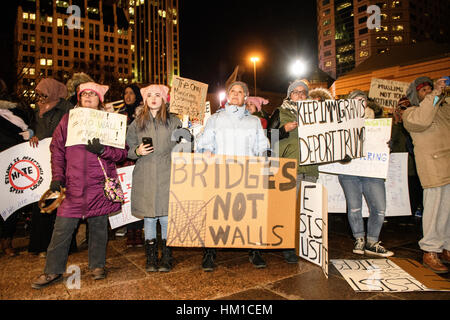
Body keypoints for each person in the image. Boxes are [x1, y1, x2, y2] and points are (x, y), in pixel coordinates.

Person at [31, 82, 128, 289]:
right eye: (85, 94)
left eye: (93, 94)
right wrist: (57, 177)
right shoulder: (68, 120)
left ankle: (97, 265)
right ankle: (52, 271)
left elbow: (121, 153)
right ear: (79, 98)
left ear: (99, 100)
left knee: (99, 227)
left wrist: (103, 150)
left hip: (99, 185)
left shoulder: (109, 121)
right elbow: (57, 149)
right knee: (62, 229)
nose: (88, 97)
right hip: (73, 186)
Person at [196, 81, 270, 271]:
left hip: (247, 174)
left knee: (250, 213)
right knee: (215, 213)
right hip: (221, 173)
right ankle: (209, 253)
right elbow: (205, 142)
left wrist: (263, 157)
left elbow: (262, 146)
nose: (236, 94)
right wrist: (206, 151)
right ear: (228, 96)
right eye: (233, 91)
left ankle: (255, 252)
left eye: (240, 92)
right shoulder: (215, 118)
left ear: (245, 97)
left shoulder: (253, 122)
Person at [126, 84, 181, 272]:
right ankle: (150, 257)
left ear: (164, 99)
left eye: (158, 95)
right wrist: (136, 151)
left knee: (165, 216)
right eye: (150, 95)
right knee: (149, 218)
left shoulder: (174, 121)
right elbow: (128, 148)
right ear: (145, 100)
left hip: (167, 172)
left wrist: (188, 135)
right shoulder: (137, 123)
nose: (154, 98)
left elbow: (182, 146)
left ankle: (167, 255)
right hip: (145, 173)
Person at [267, 79, 319, 264]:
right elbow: (269, 136)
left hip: (311, 168)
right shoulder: (280, 112)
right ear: (289, 95)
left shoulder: (317, 113)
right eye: (296, 92)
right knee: (289, 210)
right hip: (290, 168)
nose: (300, 95)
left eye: (303, 92)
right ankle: (288, 246)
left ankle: (304, 244)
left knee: (306, 210)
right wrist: (284, 130)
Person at [337, 90, 394, 258]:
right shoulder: (340, 124)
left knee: (379, 208)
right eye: (356, 100)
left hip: (372, 170)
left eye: (363, 99)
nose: (361, 102)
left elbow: (385, 146)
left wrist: (387, 144)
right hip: (350, 172)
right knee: (354, 207)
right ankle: (359, 238)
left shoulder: (379, 125)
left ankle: (372, 241)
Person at [402, 76, 450, 274]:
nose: (429, 93)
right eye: (424, 91)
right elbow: (423, 120)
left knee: (447, 210)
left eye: (431, 89)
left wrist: (443, 95)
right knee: (434, 208)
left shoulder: (441, 108)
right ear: (415, 95)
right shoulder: (411, 113)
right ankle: (430, 249)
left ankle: (446, 246)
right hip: (433, 166)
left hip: (447, 163)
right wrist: (435, 95)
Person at [28, 78, 76, 258]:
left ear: (53, 92)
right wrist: (34, 136)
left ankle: (63, 246)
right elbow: (35, 128)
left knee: (61, 202)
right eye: (38, 94)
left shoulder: (66, 109)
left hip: (61, 158)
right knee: (41, 201)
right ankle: (40, 244)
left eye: (44, 94)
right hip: (42, 160)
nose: (40, 98)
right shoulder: (37, 111)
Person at [0, 83, 34, 257]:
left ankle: (7, 240)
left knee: (11, 205)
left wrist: (30, 133)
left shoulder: (15, 113)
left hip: (11, 162)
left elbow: (28, 130)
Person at [116, 84, 145, 248]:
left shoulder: (143, 113)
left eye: (131, 93)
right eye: (125, 93)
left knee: (139, 194)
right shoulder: (119, 114)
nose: (128, 96)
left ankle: (138, 230)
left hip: (139, 158)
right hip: (123, 159)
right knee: (127, 195)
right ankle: (130, 230)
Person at [390, 96, 423, 218]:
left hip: (414, 166)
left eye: (406, 107)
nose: (404, 110)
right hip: (402, 168)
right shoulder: (395, 126)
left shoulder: (416, 122)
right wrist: (397, 123)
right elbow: (392, 141)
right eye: (402, 108)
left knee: (416, 192)